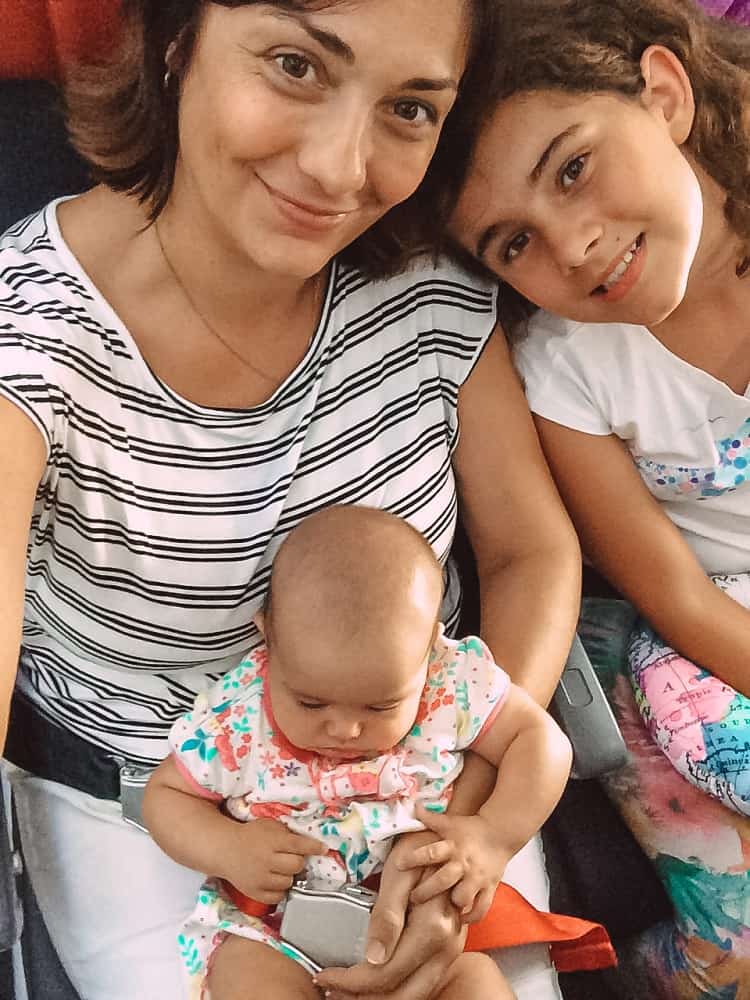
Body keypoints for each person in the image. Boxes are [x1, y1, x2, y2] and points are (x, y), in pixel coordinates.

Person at [0, 2, 582, 999]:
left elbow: (531, 551)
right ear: (175, 40)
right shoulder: (32, 339)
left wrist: (461, 815)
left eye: (407, 107)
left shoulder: (430, 285)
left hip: (426, 783)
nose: (336, 167)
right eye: (295, 66)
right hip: (152, 814)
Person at [449, 0, 750, 995]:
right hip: (706, 636)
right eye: (512, 243)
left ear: (662, 93)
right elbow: (675, 595)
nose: (570, 247)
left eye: (573, 169)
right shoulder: (566, 369)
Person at [143, 505, 572, 1000]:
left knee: (477, 986)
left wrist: (494, 836)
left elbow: (540, 741)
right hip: (276, 929)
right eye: (310, 701)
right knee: (245, 977)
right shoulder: (240, 718)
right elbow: (166, 794)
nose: (344, 729)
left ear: (431, 650)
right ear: (269, 641)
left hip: (421, 919)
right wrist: (227, 848)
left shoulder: (449, 682)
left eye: (380, 704)